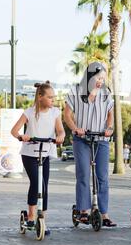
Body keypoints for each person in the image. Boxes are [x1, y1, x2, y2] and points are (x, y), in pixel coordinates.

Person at [64, 62, 116, 227]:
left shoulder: (106, 93)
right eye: (98, 77)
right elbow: (67, 115)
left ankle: (104, 213)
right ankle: (84, 210)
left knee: (102, 177)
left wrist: (109, 128)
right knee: (84, 174)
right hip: (81, 139)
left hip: (101, 139)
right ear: (90, 76)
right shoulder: (75, 92)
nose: (100, 81)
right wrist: (75, 128)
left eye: (103, 78)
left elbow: (110, 115)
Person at [11, 81, 65, 235]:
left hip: (45, 152)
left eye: (53, 98)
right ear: (40, 97)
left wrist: (61, 136)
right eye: (50, 97)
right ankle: (31, 215)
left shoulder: (55, 112)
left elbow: (61, 131)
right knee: (36, 183)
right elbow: (14, 130)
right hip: (29, 153)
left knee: (44, 187)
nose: (52, 100)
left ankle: (43, 220)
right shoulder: (29, 112)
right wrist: (22, 136)